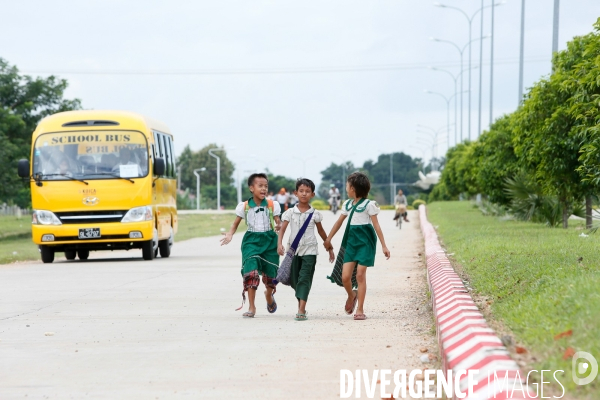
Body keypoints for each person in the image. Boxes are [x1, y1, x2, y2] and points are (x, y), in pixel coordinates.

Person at [324, 172, 390, 321]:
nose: (346, 188)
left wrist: (384, 246)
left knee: (360, 274)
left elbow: (377, 226)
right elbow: (339, 222)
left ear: (353, 188)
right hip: (351, 243)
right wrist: (328, 238)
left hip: (366, 243)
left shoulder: (369, 205)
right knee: (345, 277)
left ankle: (360, 309)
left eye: (347, 186)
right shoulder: (347, 204)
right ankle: (351, 295)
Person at [220, 173, 282, 318]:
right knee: (251, 273)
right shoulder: (244, 206)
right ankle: (251, 307)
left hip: (269, 241)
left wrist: (279, 226)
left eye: (266, 186)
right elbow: (235, 224)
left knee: (270, 278)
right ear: (251, 188)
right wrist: (230, 234)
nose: (263, 189)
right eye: (260, 186)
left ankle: (269, 295)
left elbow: (278, 222)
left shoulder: (273, 205)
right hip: (251, 241)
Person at [277, 178, 335, 321]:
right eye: (301, 191)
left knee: (304, 278)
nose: (304, 194)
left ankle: (301, 310)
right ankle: (301, 305)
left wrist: (329, 248)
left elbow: (321, 232)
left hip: (310, 251)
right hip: (294, 251)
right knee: (296, 280)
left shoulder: (315, 214)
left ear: (312, 195)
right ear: (296, 193)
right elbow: (282, 230)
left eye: (307, 191)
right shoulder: (290, 212)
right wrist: (279, 244)